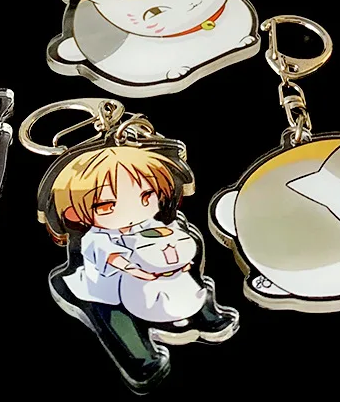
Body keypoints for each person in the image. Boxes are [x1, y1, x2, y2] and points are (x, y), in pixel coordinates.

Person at [47, 145, 236, 389]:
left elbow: (174, 240)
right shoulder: (96, 238)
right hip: (109, 290)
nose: (132, 210)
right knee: (115, 319)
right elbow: (114, 259)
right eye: (107, 204)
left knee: (196, 285)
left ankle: (207, 316)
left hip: (158, 277)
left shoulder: (151, 223)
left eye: (146, 196)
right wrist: (139, 272)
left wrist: (180, 260)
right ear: (75, 213)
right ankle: (140, 359)